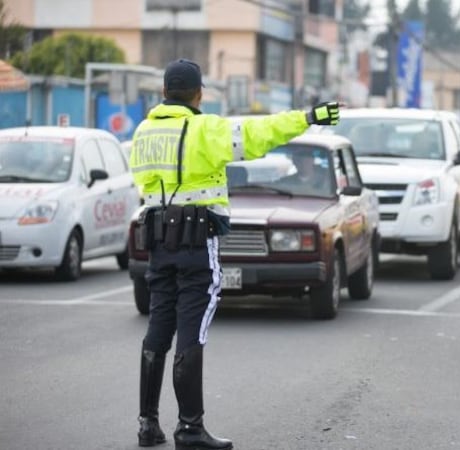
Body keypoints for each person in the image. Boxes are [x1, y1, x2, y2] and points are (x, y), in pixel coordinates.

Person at [128, 58, 340, 449]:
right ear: (198, 94)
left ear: (163, 93)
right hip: (195, 243)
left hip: (158, 243)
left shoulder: (143, 132)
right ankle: (190, 429)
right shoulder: (205, 128)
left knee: (158, 329)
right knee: (193, 330)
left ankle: (148, 424)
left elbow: (141, 182)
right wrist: (309, 117)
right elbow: (262, 132)